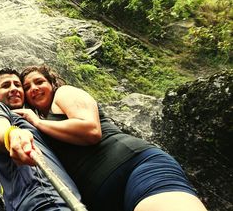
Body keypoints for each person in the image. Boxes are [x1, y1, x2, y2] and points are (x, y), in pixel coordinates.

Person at [13, 65, 208, 211]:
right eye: (27, 86)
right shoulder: (37, 122)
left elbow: (90, 130)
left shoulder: (64, 94)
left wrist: (38, 123)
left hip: (135, 167)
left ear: (52, 83)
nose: (34, 88)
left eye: (39, 82)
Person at [0, 67, 82, 210]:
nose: (14, 88)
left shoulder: (35, 121)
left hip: (67, 200)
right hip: (44, 202)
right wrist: (12, 135)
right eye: (6, 85)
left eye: (18, 85)